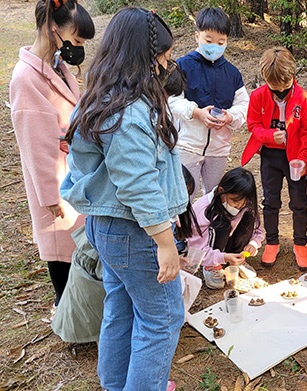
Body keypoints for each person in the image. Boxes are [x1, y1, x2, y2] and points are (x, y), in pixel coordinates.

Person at [60, 8, 186, 391]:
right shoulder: (131, 112)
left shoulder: (101, 97)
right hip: (136, 232)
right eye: (163, 54)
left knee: (121, 306)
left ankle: (116, 384)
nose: (167, 62)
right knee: (162, 318)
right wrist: (165, 243)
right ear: (143, 56)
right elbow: (137, 185)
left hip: (107, 227)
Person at [9, 0, 94, 315]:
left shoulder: (57, 66)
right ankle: (66, 315)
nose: (79, 48)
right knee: (60, 250)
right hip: (55, 180)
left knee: (74, 249)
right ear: (54, 27)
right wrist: (50, 196)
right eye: (78, 39)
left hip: (73, 173)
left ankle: (76, 314)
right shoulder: (25, 79)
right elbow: (35, 145)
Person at [242, 46, 307, 271]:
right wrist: (269, 135)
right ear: (265, 79)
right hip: (270, 155)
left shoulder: (304, 99)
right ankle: (271, 242)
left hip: (295, 158)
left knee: (299, 202)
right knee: (270, 201)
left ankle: (300, 244)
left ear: (293, 76)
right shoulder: (258, 96)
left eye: (284, 86)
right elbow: (253, 125)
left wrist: (302, 159)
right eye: (274, 87)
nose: (280, 91)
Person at [170, 7, 249, 200]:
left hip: (219, 149)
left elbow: (244, 105)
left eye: (220, 42)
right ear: (197, 36)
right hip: (187, 145)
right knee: (183, 196)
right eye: (208, 40)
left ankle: (208, 230)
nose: (214, 46)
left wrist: (230, 116)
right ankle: (181, 230)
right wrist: (195, 112)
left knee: (214, 197)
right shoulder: (183, 66)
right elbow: (171, 100)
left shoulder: (232, 73)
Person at [185, 167, 264, 288]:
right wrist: (222, 257)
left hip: (229, 242)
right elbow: (196, 250)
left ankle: (238, 257)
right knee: (223, 225)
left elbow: (258, 229)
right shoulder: (204, 210)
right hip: (208, 248)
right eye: (235, 201)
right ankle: (211, 266)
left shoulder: (245, 205)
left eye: (243, 202)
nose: (239, 207)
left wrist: (254, 243)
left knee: (248, 216)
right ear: (222, 191)